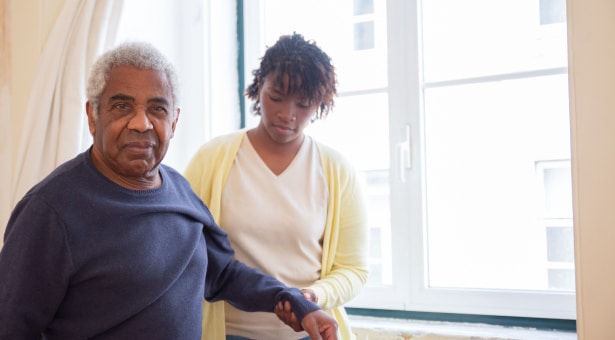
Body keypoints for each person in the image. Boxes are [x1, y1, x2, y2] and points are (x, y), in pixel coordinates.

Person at [0, 41, 339, 340]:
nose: (141, 123)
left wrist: (296, 302)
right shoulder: (50, 211)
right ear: (93, 116)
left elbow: (222, 273)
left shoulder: (179, 190)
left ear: (174, 122)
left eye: (157, 109)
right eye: (122, 106)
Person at [184, 33, 369, 340]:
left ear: (320, 104)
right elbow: (184, 247)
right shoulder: (211, 159)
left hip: (309, 332)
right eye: (277, 96)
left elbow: (354, 270)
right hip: (227, 332)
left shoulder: (336, 170)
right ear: (259, 88)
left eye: (303, 104)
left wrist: (312, 297)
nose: (287, 114)